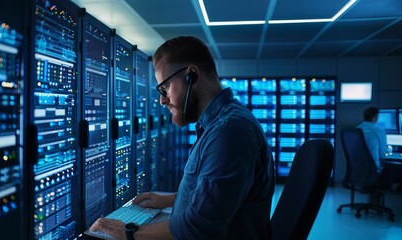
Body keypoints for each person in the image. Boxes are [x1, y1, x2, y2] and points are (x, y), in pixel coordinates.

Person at [90, 36, 275, 239]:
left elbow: (196, 230)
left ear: (191, 76)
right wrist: (173, 199)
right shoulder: (220, 125)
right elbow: (220, 196)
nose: (162, 100)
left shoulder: (228, 132)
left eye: (165, 88)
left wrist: (127, 232)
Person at [356, 107, 389, 173]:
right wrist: (389, 150)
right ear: (376, 116)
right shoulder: (379, 131)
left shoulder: (356, 129)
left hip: (357, 169)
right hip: (373, 170)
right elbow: (382, 154)